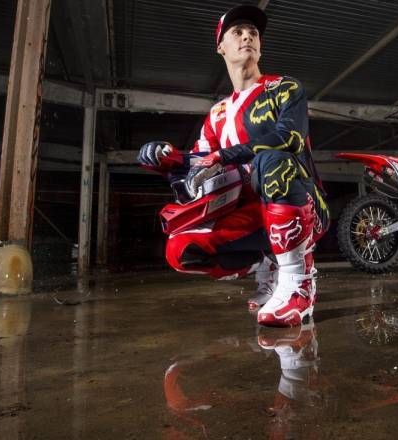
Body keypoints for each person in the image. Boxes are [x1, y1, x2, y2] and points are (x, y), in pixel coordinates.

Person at [137, 4, 329, 327]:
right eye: (237, 32)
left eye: (253, 33)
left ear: (260, 45)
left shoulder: (284, 88)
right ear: (221, 47)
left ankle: (299, 283)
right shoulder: (217, 114)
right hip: (252, 215)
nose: (247, 37)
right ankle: (266, 264)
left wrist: (224, 156)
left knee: (271, 160)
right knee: (180, 250)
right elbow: (201, 160)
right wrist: (166, 158)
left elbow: (289, 138)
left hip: (305, 204)